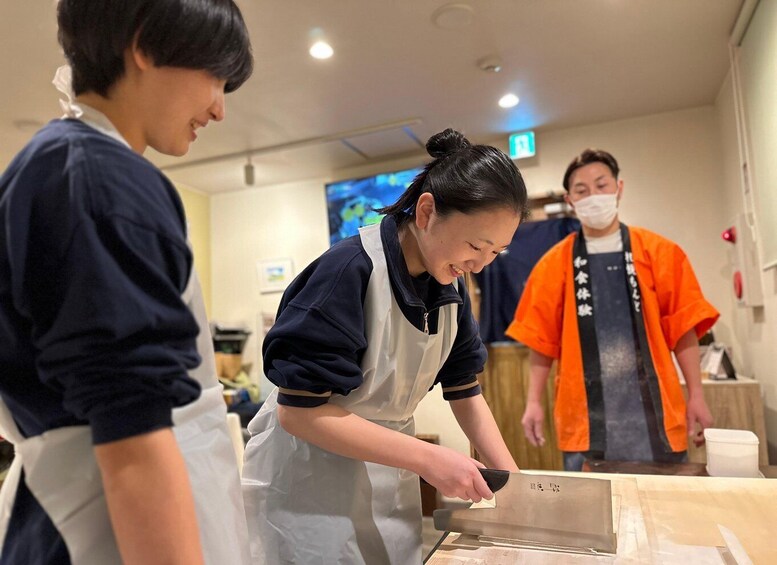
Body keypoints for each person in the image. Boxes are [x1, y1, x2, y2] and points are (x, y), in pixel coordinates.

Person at [0, 1, 253, 564]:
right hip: (99, 533)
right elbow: (133, 446)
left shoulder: (66, 167)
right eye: (215, 77)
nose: (218, 109)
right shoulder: (99, 181)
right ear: (144, 44)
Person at [242, 128, 528, 564]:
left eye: (496, 252)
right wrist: (429, 458)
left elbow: (464, 390)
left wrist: (513, 484)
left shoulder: (450, 283)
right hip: (308, 485)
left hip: (386, 477)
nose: (480, 263)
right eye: (475, 245)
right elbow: (299, 412)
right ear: (428, 212)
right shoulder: (348, 271)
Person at [506, 149, 719, 472]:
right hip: (585, 419)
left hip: (657, 414)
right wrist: (533, 402)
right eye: (581, 190)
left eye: (601, 185)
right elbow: (541, 341)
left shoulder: (661, 253)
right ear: (570, 200)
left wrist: (697, 396)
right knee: (591, 517)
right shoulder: (552, 265)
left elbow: (683, 329)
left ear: (619, 188)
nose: (593, 195)